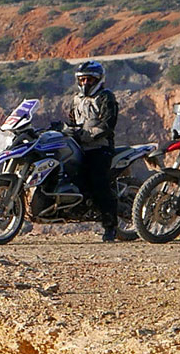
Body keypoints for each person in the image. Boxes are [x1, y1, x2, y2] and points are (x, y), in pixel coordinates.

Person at [67, 61, 120, 242]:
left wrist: (89, 136)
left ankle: (110, 226)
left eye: (89, 80)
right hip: (79, 146)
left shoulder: (106, 97)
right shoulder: (76, 100)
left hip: (100, 147)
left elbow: (108, 124)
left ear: (98, 80)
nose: (85, 84)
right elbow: (72, 121)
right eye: (82, 80)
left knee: (99, 183)